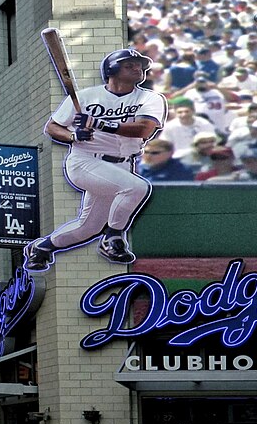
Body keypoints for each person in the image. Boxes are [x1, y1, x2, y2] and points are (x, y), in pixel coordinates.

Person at [24, 48, 167, 271]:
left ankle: (42, 247)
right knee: (136, 188)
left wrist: (99, 124)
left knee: (88, 228)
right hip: (85, 161)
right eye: (130, 65)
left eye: (139, 65)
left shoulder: (150, 98)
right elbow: (52, 127)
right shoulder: (86, 97)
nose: (138, 68)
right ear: (112, 69)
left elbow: (143, 129)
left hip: (121, 165)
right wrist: (73, 136)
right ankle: (113, 238)